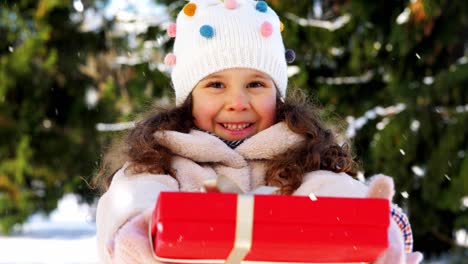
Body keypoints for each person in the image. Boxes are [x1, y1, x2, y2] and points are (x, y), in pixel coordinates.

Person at [94, 0, 423, 263]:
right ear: (189, 99)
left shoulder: (300, 161)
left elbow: (330, 192)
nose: (237, 101)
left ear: (276, 94)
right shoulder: (163, 161)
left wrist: (376, 220)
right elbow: (133, 195)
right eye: (216, 85)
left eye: (255, 84)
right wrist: (137, 225)